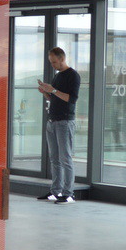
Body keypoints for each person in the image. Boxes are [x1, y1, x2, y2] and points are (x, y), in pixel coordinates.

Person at [36, 47, 80, 204]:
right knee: (54, 159)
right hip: (52, 121)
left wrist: (53, 90)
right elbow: (54, 98)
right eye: (51, 62)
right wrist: (45, 92)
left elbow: (71, 99)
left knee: (65, 158)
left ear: (62, 59)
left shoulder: (73, 75)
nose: (52, 65)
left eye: (54, 62)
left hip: (65, 122)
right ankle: (55, 191)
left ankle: (69, 193)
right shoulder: (57, 76)